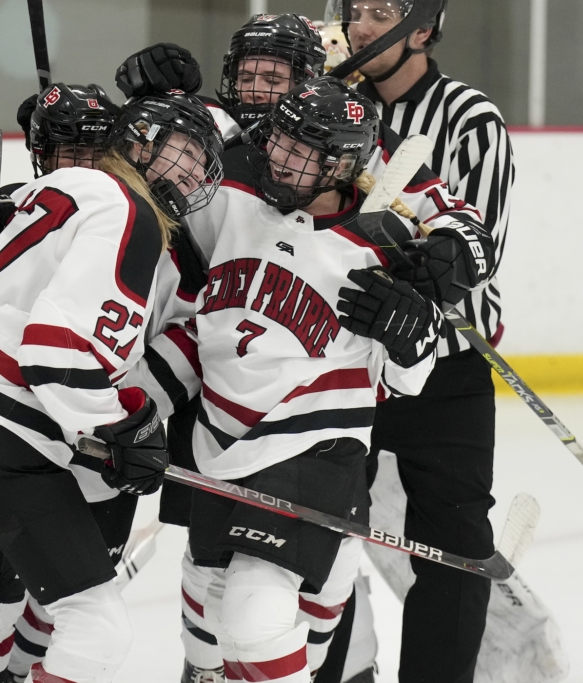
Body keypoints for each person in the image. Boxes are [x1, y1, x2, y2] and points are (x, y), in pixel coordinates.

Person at [0, 91, 224, 683]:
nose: (192, 172)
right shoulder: (129, 212)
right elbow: (57, 353)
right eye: (183, 154)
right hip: (3, 425)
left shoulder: (62, 190)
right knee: (99, 630)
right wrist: (119, 425)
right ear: (138, 145)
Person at [179, 77, 444, 683]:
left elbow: (411, 379)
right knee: (207, 632)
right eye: (281, 142)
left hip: (314, 453)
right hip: (217, 448)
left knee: (253, 618)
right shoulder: (231, 198)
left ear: (343, 165)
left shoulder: (386, 246)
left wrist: (409, 336)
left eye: (302, 152)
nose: (280, 157)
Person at [322, 1, 519, 681]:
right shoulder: (328, 107)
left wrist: (436, 274)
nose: (363, 26)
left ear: (425, 28)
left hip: (448, 367)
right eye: (356, 11)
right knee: (325, 529)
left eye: (384, 11)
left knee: (457, 546)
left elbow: (477, 243)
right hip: (350, 361)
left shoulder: (469, 118)